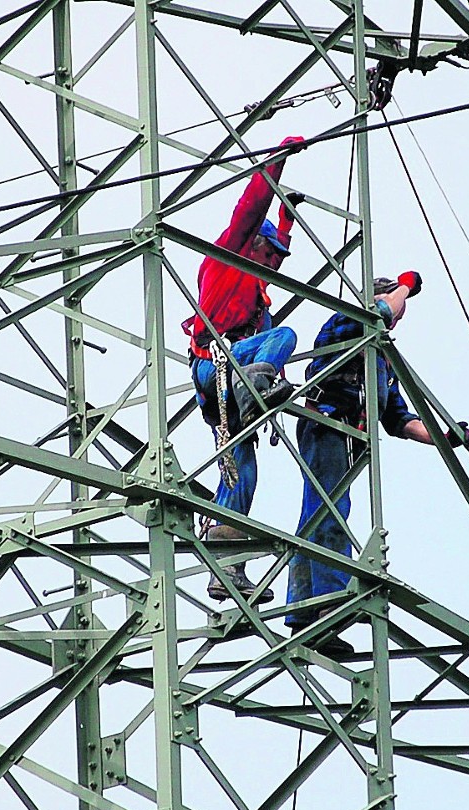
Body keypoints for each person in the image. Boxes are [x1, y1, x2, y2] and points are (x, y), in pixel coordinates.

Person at [285, 272, 469, 655]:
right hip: (327, 423)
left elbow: (399, 420)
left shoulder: (381, 362)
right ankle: (328, 602)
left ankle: (307, 614)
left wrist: (445, 437)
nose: (398, 319)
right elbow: (382, 311)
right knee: (330, 511)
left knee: (320, 514)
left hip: (348, 436)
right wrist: (404, 286)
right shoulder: (348, 321)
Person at [182, 136, 305, 602]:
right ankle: (257, 387)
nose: (276, 263)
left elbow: (274, 237)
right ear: (254, 247)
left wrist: (287, 222)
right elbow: (249, 211)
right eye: (271, 254)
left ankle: (225, 564)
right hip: (215, 368)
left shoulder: (258, 299)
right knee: (285, 338)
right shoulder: (227, 259)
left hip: (232, 388)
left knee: (243, 475)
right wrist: (276, 162)